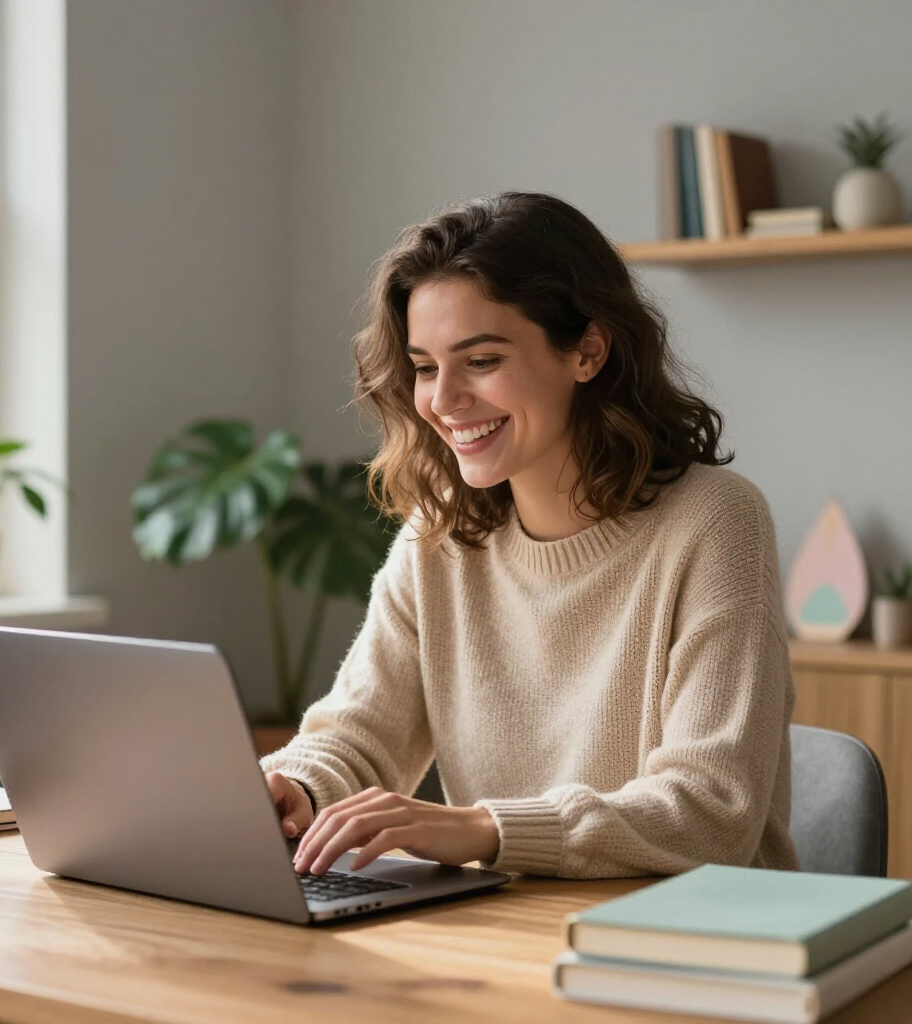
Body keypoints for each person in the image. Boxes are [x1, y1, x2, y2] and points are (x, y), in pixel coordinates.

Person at [262, 190, 800, 880]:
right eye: (425, 367)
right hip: (514, 932)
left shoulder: (715, 521)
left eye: (481, 361)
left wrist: (486, 829)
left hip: (696, 941)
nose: (444, 401)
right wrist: (295, 790)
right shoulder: (439, 541)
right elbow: (359, 738)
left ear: (588, 352)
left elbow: (710, 810)